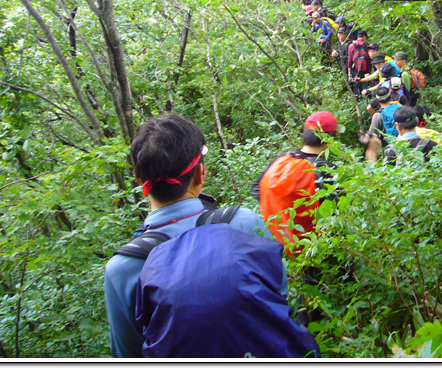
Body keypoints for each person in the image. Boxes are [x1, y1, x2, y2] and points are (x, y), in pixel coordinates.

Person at [104, 114, 320, 358]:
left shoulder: (122, 269)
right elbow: (278, 294)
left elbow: (129, 355)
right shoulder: (242, 223)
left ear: (139, 180)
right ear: (201, 173)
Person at [251, 112, 338, 252]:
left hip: (285, 245)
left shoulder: (281, 159)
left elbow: (257, 189)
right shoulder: (328, 171)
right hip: (321, 249)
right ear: (331, 139)